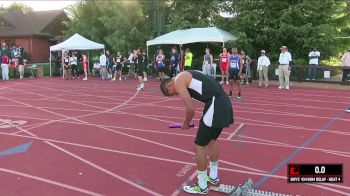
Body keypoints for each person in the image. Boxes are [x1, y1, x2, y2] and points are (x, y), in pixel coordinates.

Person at [160, 70, 234, 194]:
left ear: (169, 86)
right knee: (211, 141)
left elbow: (190, 108)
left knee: (198, 146)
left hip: (215, 104)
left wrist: (185, 123)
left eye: (172, 94)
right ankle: (214, 177)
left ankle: (202, 185)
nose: (176, 95)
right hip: (223, 101)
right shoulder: (187, 74)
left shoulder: (178, 81)